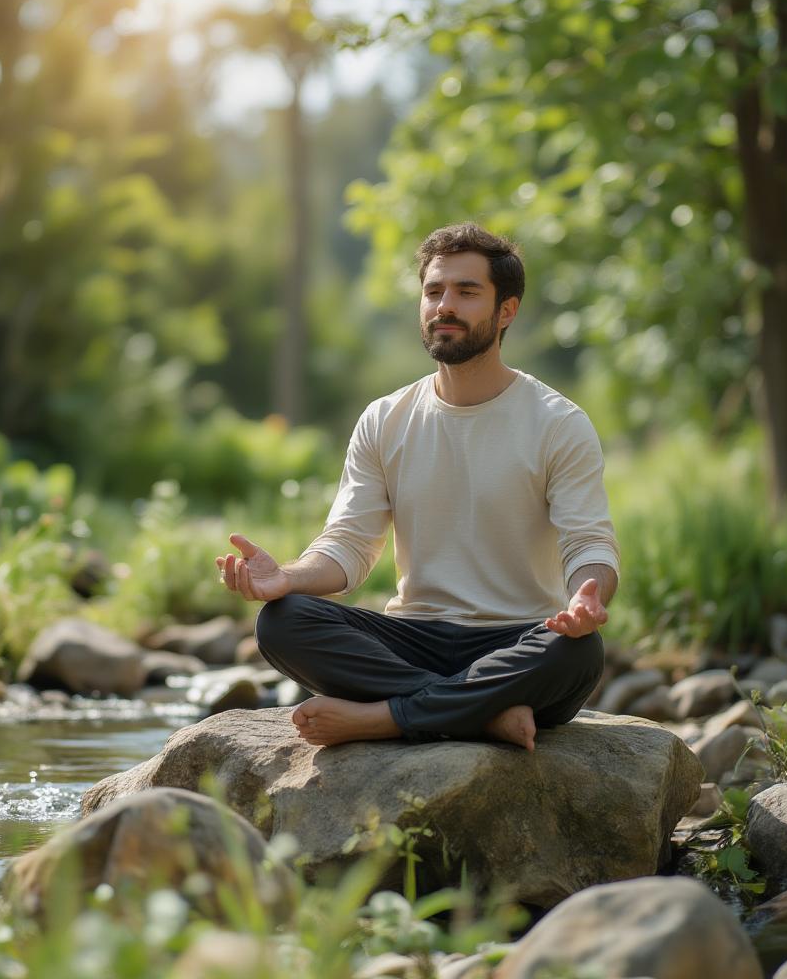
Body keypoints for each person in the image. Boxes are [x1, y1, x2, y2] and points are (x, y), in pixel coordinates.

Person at [215, 222, 619, 752]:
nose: (443, 306)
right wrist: (285, 578)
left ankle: (384, 718)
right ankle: (480, 714)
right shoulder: (385, 418)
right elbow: (349, 547)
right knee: (282, 621)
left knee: (578, 653)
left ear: (507, 311)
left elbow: (589, 544)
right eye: (433, 291)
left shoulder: (557, 423)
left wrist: (587, 595)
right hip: (412, 639)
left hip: (518, 636)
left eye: (466, 292)